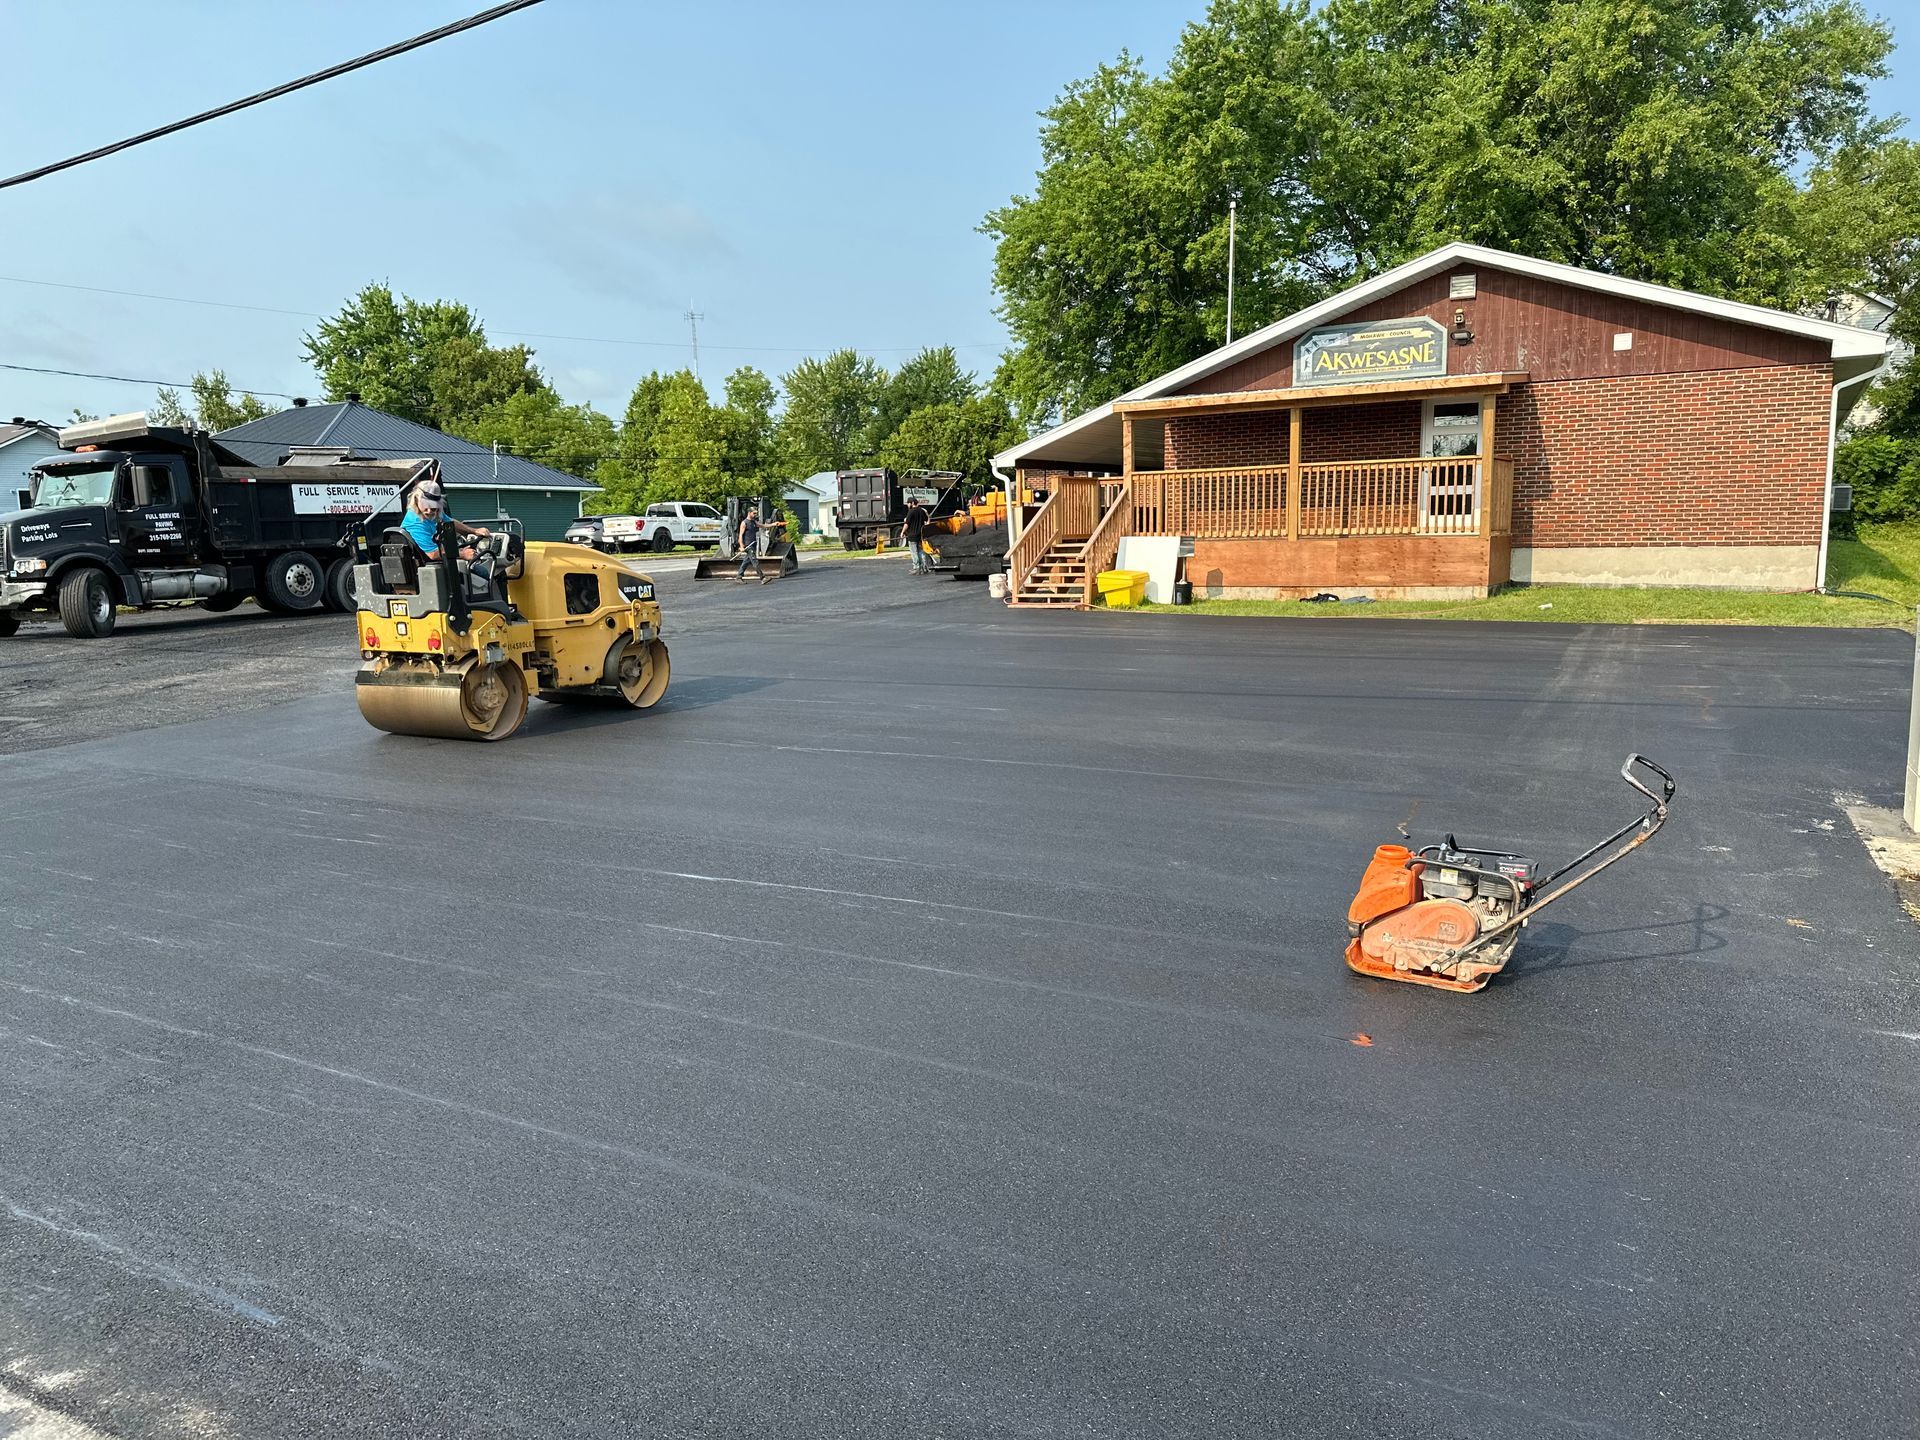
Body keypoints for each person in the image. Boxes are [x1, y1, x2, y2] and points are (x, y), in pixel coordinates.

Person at [401, 480, 489, 563]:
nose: (429, 510)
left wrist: (474, 531)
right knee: (481, 571)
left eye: (433, 507)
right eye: (425, 505)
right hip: (430, 566)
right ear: (416, 500)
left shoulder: (431, 514)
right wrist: (462, 554)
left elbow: (450, 523)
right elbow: (433, 554)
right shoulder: (416, 523)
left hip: (437, 562)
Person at [734, 508, 785, 584]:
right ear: (749, 513)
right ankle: (762, 577)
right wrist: (741, 546)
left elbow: (764, 526)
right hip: (748, 545)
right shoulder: (744, 523)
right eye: (754, 513)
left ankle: (739, 577)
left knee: (746, 561)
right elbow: (740, 535)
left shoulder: (754, 522)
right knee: (755, 561)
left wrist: (773, 524)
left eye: (756, 513)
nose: (755, 515)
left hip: (753, 544)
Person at [903, 497, 933, 575]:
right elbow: (927, 519)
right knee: (921, 552)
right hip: (920, 535)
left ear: (912, 503)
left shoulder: (911, 512)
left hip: (912, 535)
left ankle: (916, 568)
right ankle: (924, 567)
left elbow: (907, 524)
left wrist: (902, 532)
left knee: (914, 552)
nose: (907, 505)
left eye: (908, 503)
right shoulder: (921, 511)